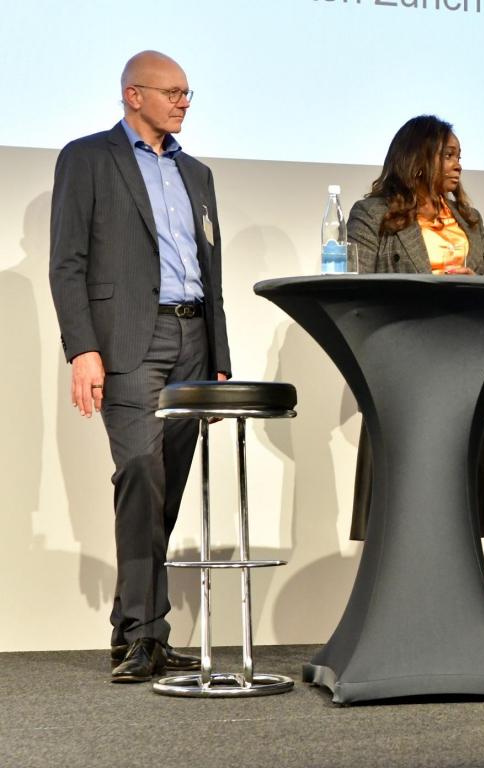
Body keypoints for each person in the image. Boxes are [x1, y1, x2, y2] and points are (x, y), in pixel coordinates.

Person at [49, 50, 231, 681]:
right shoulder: (89, 157)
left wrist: (221, 360)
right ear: (134, 95)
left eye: (188, 92)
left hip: (193, 344)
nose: (184, 101)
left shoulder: (198, 174)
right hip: (129, 340)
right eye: (172, 91)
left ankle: (136, 628)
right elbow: (67, 262)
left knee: (166, 484)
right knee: (139, 469)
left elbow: (213, 272)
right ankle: (144, 632)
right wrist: (83, 348)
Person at [346, 115, 484, 540]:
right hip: (403, 368)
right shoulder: (372, 214)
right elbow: (358, 291)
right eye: (448, 155)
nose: (458, 165)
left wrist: (473, 290)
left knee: (456, 511)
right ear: (419, 158)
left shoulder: (469, 219)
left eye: (459, 156)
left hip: (462, 366)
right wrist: (433, 288)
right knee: (403, 511)